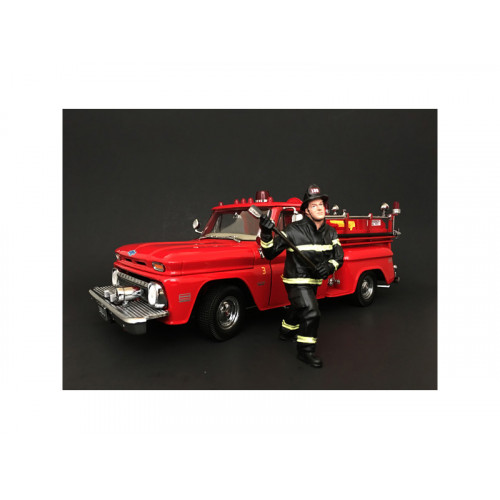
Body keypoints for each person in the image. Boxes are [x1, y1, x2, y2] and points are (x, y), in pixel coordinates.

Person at [259, 184, 344, 368]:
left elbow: (339, 257)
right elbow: (270, 253)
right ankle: (305, 352)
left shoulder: (331, 232)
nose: (319, 208)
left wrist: (328, 267)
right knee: (311, 312)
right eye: (314, 205)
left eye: (321, 204)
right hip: (296, 280)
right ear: (306, 211)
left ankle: (286, 332)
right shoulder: (292, 231)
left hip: (314, 281)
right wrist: (266, 233)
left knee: (299, 308)